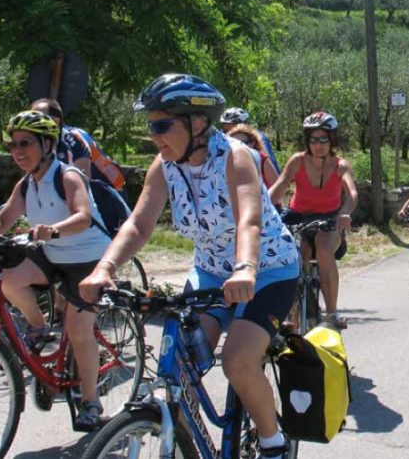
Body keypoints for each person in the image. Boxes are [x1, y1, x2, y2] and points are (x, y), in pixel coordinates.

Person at [79, 74, 300, 458]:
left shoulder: (235, 156)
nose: (154, 135)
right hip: (211, 272)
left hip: (266, 270)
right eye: (150, 126)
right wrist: (105, 267)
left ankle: (272, 442)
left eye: (162, 125)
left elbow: (249, 218)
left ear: (197, 123)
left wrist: (245, 268)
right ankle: (184, 441)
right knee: (183, 359)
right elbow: (139, 223)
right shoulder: (165, 165)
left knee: (238, 361)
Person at [0, 110, 110, 431]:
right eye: (12, 145)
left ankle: (91, 402)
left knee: (79, 331)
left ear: (47, 144)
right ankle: (39, 327)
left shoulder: (68, 177)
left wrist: (52, 230)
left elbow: (82, 217)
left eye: (26, 143)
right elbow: (2, 221)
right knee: (10, 280)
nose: (18, 151)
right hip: (53, 254)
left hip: (88, 258)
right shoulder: (26, 184)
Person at [268, 111, 358, 328]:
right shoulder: (297, 161)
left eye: (323, 140)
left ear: (332, 140)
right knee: (297, 256)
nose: (318, 145)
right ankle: (293, 315)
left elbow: (352, 194)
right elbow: (277, 190)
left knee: (324, 250)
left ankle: (332, 314)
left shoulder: (341, 165)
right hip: (297, 216)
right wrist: (261, 209)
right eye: (313, 140)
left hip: (329, 219)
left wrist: (345, 213)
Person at [30, 98, 127, 196]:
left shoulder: (73, 137)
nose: (32, 123)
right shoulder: (44, 143)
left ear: (56, 120)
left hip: (111, 192)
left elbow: (84, 178)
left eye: (38, 118)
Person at [220, 107, 281, 173]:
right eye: (224, 125)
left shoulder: (258, 137)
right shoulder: (223, 138)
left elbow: (270, 161)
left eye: (230, 125)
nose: (225, 129)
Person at [227, 124, 280, 191]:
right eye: (233, 143)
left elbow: (278, 186)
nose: (238, 146)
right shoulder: (226, 162)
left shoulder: (262, 160)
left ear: (253, 143)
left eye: (242, 143)